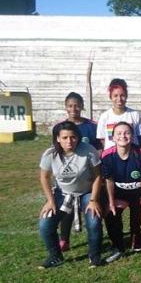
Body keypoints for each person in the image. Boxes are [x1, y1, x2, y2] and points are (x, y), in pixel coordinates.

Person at [37, 121, 104, 268]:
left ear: (78, 137)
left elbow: (98, 176)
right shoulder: (50, 154)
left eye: (73, 137)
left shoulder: (88, 150)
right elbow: (44, 177)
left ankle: (94, 256)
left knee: (94, 220)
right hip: (63, 194)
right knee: (45, 224)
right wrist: (50, 200)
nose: (69, 141)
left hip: (86, 193)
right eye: (65, 137)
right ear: (57, 139)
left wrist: (93, 199)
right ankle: (55, 256)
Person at [101, 122, 141, 263]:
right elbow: (109, 181)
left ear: (133, 136)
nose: (123, 136)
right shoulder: (107, 155)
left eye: (127, 133)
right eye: (119, 133)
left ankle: (137, 237)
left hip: (139, 193)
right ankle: (117, 246)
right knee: (111, 213)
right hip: (119, 195)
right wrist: (111, 202)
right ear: (113, 137)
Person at [58, 92, 101, 252]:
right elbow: (57, 152)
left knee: (91, 209)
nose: (73, 109)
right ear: (65, 107)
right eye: (70, 105)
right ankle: (64, 239)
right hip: (68, 176)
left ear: (82, 106)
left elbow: (99, 147)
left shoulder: (92, 126)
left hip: (88, 176)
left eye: (76, 105)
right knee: (66, 209)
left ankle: (94, 241)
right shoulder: (60, 127)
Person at [96, 78, 141, 150]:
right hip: (111, 157)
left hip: (132, 156)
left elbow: (140, 137)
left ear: (126, 96)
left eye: (122, 95)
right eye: (115, 96)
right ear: (110, 97)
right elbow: (102, 139)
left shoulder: (135, 115)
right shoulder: (104, 117)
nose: (119, 99)